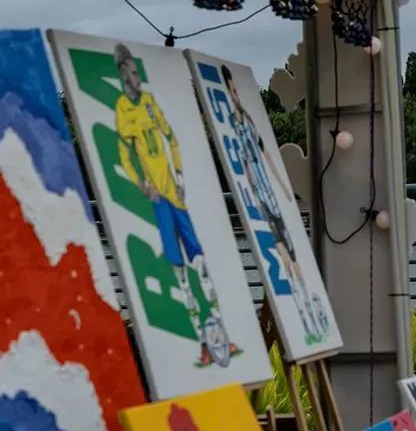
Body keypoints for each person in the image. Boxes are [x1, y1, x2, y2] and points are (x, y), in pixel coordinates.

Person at [114, 43, 237, 367]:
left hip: (175, 194)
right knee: (179, 272)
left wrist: (179, 176)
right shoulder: (123, 109)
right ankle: (203, 344)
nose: (137, 77)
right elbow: (125, 154)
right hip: (158, 199)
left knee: (200, 261)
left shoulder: (150, 102)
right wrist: (141, 184)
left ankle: (222, 330)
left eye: (137, 71)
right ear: (123, 74)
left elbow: (170, 137)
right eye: (131, 72)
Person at [221, 63, 328, 344]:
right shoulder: (230, 125)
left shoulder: (247, 119)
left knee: (293, 259)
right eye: (231, 91)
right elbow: (243, 163)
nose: (235, 95)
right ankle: (304, 321)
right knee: (284, 259)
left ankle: (309, 322)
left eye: (236, 90)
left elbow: (264, 154)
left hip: (270, 193)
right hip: (257, 196)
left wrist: (281, 184)